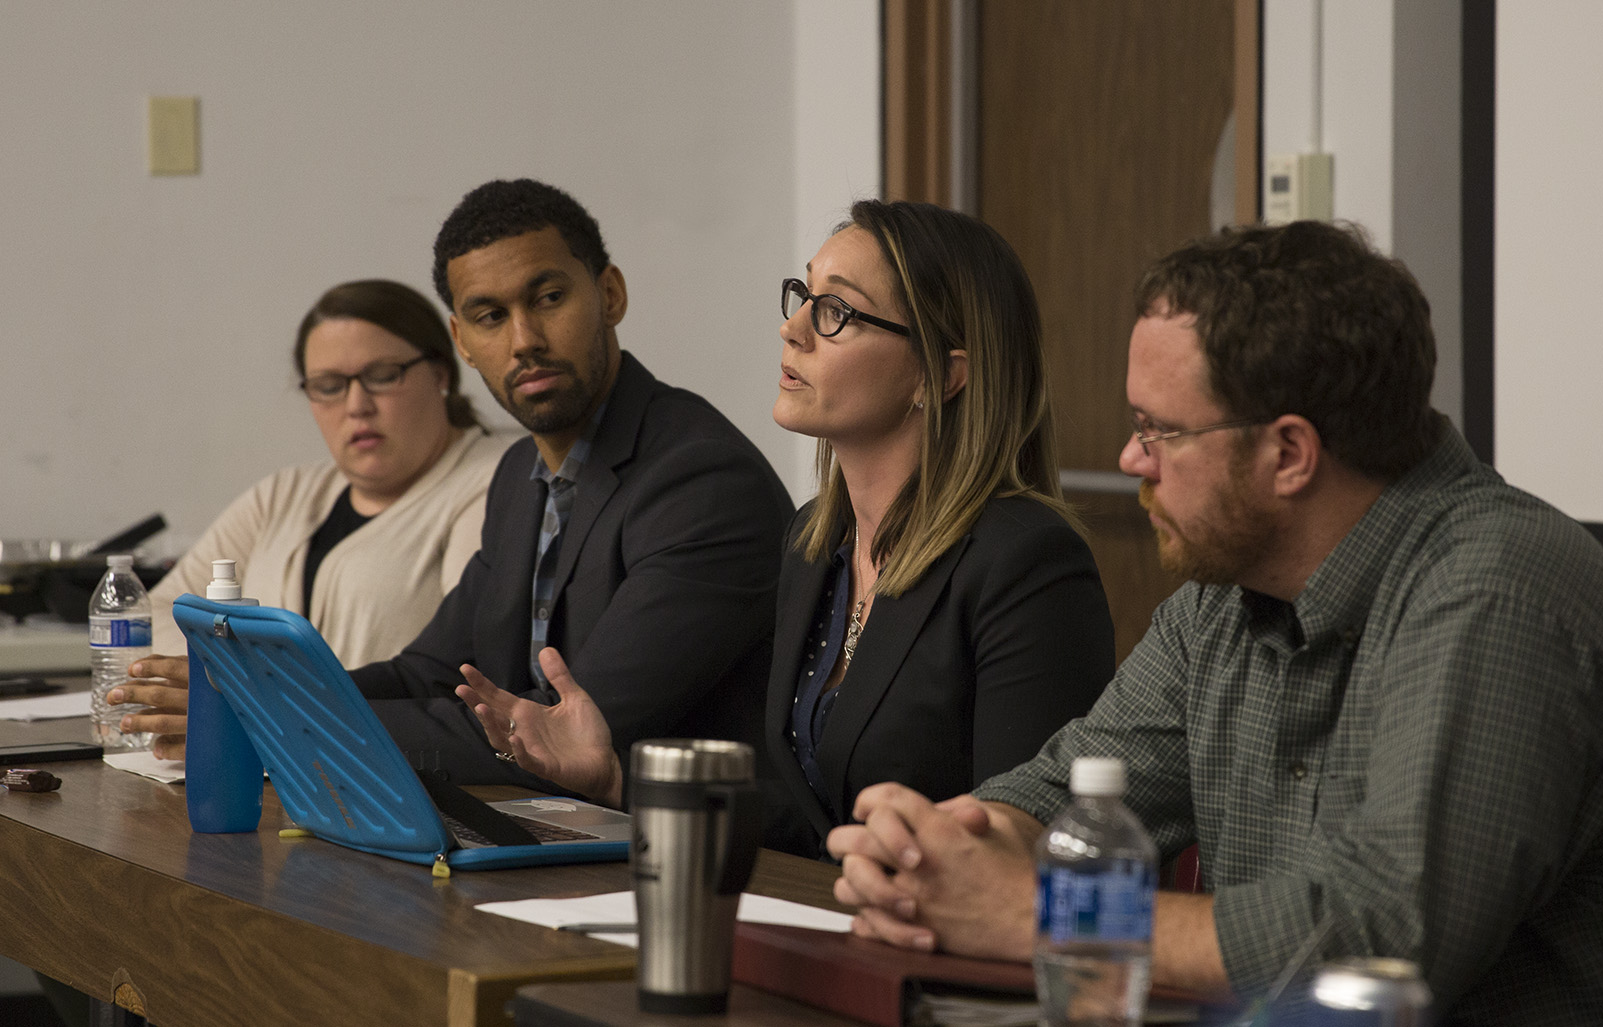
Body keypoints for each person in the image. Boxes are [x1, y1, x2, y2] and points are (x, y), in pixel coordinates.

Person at [826, 221, 1603, 1024]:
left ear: (1289, 453)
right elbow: (1070, 787)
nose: (1130, 456)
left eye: (1161, 429)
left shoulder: (1500, 592)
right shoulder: (1223, 599)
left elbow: (1381, 939)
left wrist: (1045, 912)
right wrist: (937, 848)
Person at [455, 200, 1115, 846]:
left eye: (835, 312)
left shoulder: (1025, 560)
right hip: (827, 923)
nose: (792, 328)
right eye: (803, 294)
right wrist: (615, 777)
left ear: (941, 374)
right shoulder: (815, 545)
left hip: (944, 944)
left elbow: (1025, 844)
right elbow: (810, 817)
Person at [348, 178, 792, 792]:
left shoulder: (703, 481)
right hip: (565, 839)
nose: (524, 339)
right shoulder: (517, 475)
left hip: (697, 853)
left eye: (549, 297)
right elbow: (427, 673)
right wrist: (267, 696)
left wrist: (289, 725)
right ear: (463, 343)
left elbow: (567, 734)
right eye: (490, 317)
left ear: (609, 294)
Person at [116, 279, 514, 760]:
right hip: (267, 765)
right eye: (328, 386)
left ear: (441, 374)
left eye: (383, 375)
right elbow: (148, 616)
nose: (356, 405)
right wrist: (243, 692)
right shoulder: (285, 494)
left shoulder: (497, 479)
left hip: (390, 766)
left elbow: (463, 666)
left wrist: (259, 696)